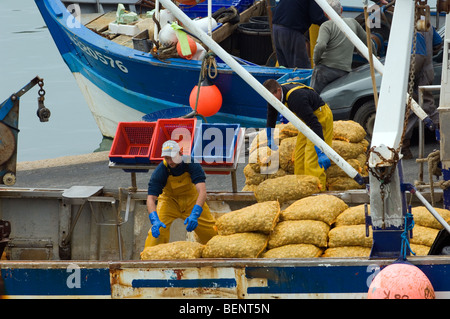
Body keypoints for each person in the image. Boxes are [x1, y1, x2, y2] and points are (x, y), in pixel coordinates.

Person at [141, 140, 217, 250]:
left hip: (192, 200)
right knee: (156, 236)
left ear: (180, 153)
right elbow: (151, 199)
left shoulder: (191, 163)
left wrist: (195, 214)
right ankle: (149, 263)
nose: (170, 161)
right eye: (167, 158)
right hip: (169, 202)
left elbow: (202, 192)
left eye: (172, 157)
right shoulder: (161, 170)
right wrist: (154, 220)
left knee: (211, 233)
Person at [264, 79, 333, 191]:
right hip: (306, 120)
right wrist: (269, 136)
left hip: (320, 117)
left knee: (311, 159)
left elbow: (315, 124)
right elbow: (271, 115)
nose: (269, 100)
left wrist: (320, 150)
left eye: (271, 97)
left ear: (278, 90)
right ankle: (302, 189)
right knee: (299, 156)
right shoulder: (273, 97)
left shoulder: (296, 98)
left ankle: (317, 191)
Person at [311, 0, 375, 94]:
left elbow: (320, 45)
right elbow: (369, 42)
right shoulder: (353, 22)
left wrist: (315, 61)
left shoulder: (326, 26)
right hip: (344, 72)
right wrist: (375, 57)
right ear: (341, 10)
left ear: (325, 12)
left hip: (324, 71)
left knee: (313, 97)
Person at [402, 26, 443, 159]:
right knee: (420, 107)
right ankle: (443, 137)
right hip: (427, 71)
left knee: (418, 107)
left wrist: (407, 75)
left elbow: (418, 57)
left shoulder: (415, 28)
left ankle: (444, 137)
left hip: (420, 74)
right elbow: (438, 43)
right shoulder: (427, 25)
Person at [272, 0, 328, 69]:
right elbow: (317, 17)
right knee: (301, 67)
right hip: (291, 30)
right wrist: (331, 25)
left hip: (276, 28)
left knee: (283, 67)